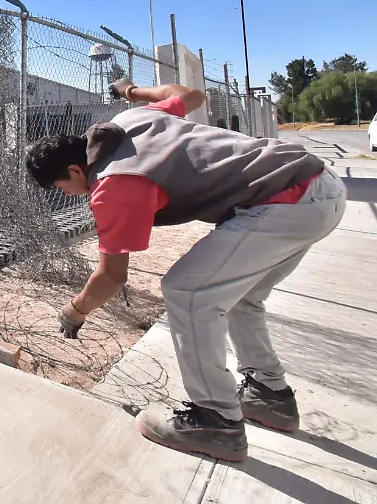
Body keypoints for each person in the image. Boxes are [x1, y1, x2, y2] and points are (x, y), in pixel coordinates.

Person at [24, 78, 345, 462]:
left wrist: (75, 310)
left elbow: (111, 276)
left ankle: (215, 421)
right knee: (240, 296)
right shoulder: (131, 118)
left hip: (285, 202)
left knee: (187, 291)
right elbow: (191, 96)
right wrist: (131, 91)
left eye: (61, 187)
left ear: (76, 170)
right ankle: (268, 394)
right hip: (316, 186)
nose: (67, 194)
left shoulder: (113, 184)